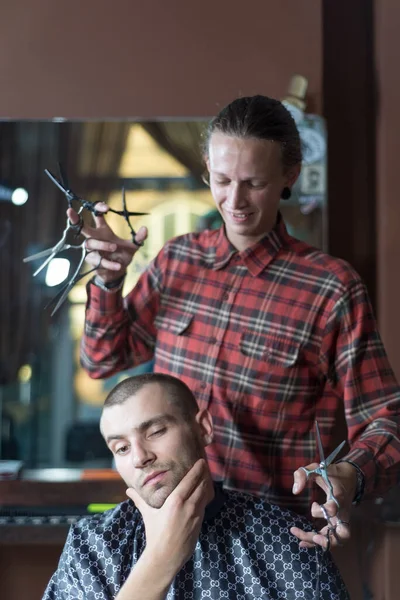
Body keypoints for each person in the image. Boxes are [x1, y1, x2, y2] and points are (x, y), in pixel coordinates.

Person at [71, 95, 400, 551]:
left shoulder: (331, 288)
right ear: (206, 169)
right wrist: (108, 282)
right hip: (171, 537)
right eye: (222, 180)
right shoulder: (177, 260)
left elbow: (385, 417)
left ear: (289, 175)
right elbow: (102, 360)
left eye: (254, 183)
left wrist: (349, 474)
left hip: (275, 545)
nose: (235, 200)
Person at [43, 374, 349, 600]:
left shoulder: (287, 539)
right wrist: (160, 560)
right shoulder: (91, 546)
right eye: (121, 448)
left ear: (203, 428)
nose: (139, 457)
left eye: (156, 431)